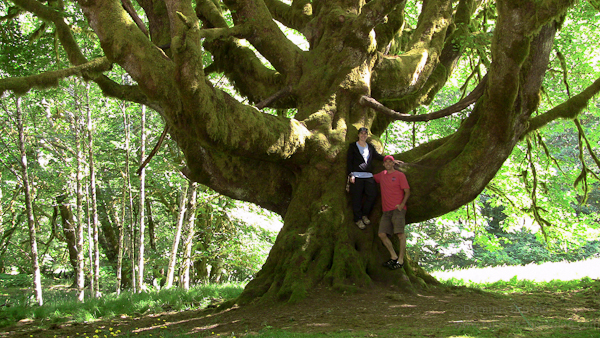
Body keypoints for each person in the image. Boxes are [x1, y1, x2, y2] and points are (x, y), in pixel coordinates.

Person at [374, 155, 410, 270]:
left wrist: (401, 205)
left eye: (390, 162)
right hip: (386, 211)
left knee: (400, 234)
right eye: (386, 162)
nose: (388, 163)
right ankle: (393, 256)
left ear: (393, 163)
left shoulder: (400, 175)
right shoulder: (382, 175)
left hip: (397, 210)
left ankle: (400, 260)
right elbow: (370, 177)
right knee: (381, 234)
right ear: (384, 164)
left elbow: (407, 191)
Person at [347, 127, 384, 229]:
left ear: (367, 136)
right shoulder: (353, 146)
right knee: (356, 197)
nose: (363, 135)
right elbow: (349, 162)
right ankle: (358, 219)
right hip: (356, 175)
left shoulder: (370, 147)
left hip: (368, 175)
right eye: (361, 133)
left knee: (372, 195)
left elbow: (377, 156)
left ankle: (364, 214)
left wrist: (390, 159)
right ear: (358, 135)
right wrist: (351, 175)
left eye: (365, 134)